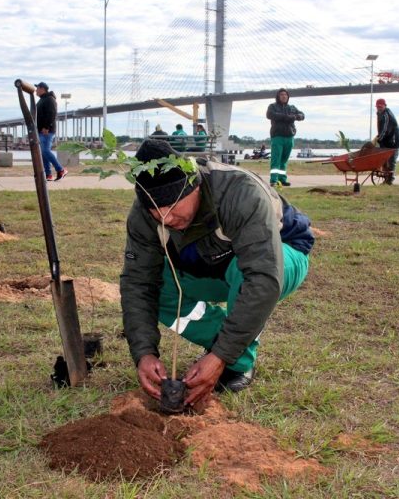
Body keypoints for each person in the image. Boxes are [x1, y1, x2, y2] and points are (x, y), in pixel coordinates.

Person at [120, 138, 314, 406]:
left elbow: (262, 277)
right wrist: (143, 352)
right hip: (210, 267)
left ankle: (239, 361)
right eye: (156, 211)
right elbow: (138, 282)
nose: (167, 218)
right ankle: (220, 335)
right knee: (159, 285)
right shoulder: (144, 214)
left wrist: (222, 356)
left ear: (195, 186)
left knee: (243, 274)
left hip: (282, 256)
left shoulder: (239, 192)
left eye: (174, 206)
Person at [266, 88, 304, 186]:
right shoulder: (272, 106)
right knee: (276, 159)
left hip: (289, 137)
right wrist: (285, 117)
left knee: (284, 160)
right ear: (278, 96)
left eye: (285, 94)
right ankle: (273, 180)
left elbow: (302, 115)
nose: (284, 96)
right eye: (282, 94)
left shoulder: (292, 107)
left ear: (288, 96)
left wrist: (296, 117)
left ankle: (282, 180)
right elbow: (269, 114)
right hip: (277, 136)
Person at [35, 81, 66, 181]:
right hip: (41, 130)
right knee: (43, 153)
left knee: (45, 151)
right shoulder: (42, 100)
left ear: (42, 88)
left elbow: (52, 114)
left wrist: (46, 127)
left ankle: (61, 169)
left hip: (47, 131)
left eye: (37, 88)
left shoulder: (49, 99)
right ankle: (48, 174)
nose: (36, 90)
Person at [373, 99, 399, 185]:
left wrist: (379, 138)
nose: (379, 108)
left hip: (393, 142)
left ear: (385, 105)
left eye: (381, 106)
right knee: (384, 161)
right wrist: (379, 138)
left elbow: (385, 130)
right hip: (385, 141)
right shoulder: (379, 114)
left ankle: (390, 180)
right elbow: (381, 129)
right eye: (378, 106)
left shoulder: (386, 115)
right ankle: (386, 179)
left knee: (391, 161)